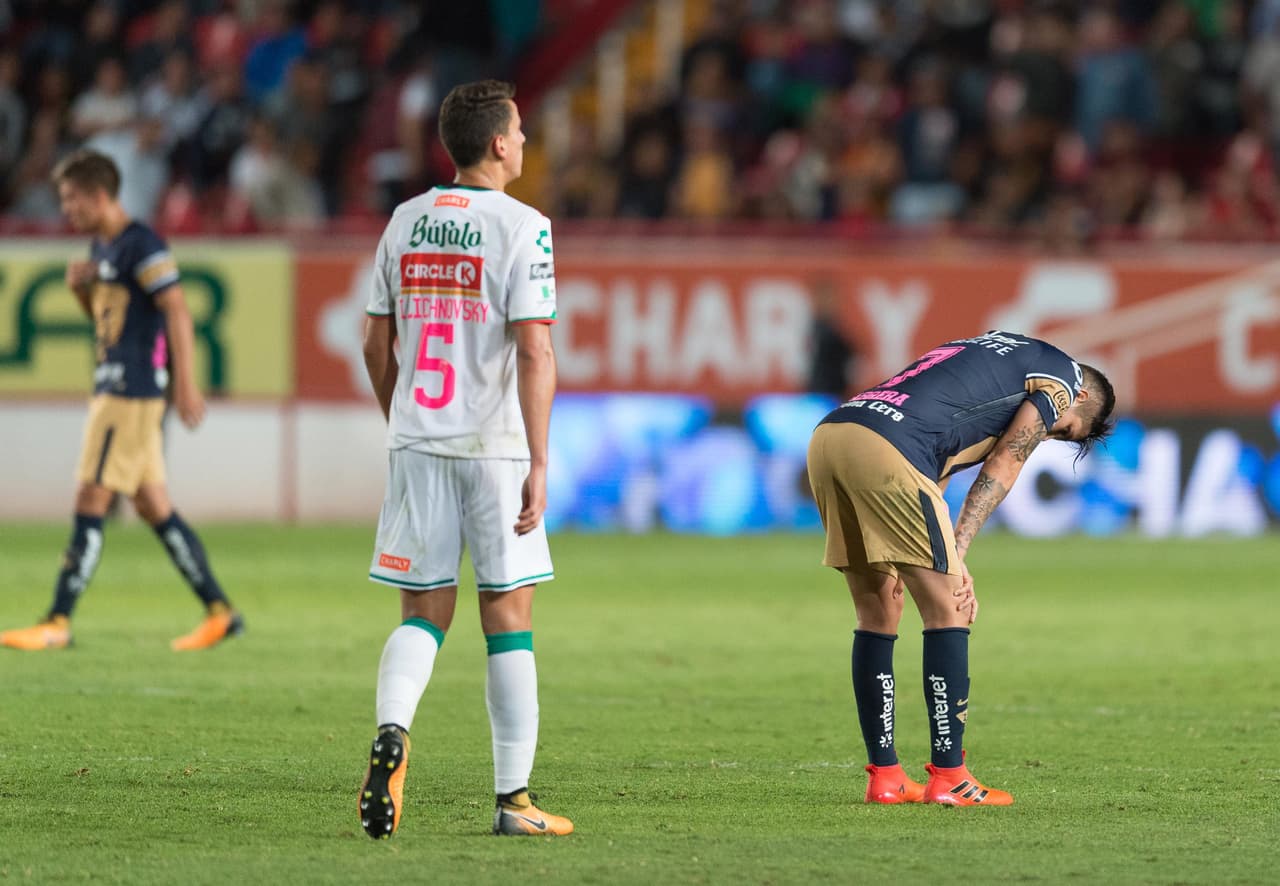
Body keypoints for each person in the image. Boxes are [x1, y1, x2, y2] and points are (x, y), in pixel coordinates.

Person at [357, 79, 571, 839]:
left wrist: (405, 419)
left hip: (418, 440)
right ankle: (513, 802)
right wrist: (540, 460)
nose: (525, 141)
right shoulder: (524, 226)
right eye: (521, 130)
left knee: (423, 614)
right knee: (508, 619)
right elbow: (536, 347)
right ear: (500, 143)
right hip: (494, 447)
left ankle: (393, 730)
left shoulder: (405, 220)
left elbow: (373, 343)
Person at [806, 331, 1115, 806]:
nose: (1052, 433)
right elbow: (1005, 462)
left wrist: (949, 548)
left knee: (878, 612)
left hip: (835, 435)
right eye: (1067, 429)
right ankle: (950, 778)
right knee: (949, 608)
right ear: (1083, 396)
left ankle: (886, 777)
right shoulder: (1063, 378)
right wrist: (961, 553)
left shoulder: (990, 349)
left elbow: (935, 459)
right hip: (892, 449)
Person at [0, 150, 242, 653]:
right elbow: (110, 324)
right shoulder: (103, 247)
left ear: (98, 195)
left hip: (129, 392)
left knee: (90, 499)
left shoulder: (142, 244)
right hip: (117, 385)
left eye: (70, 199)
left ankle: (57, 621)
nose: (66, 210)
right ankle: (220, 611)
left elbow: (176, 309)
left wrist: (186, 382)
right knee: (155, 506)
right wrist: (80, 294)